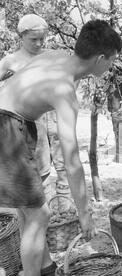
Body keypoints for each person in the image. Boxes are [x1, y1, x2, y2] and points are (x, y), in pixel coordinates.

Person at [0, 19, 122, 276]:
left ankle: (45, 272)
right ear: (100, 58)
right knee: (39, 214)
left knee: (30, 210)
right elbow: (72, 159)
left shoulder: (57, 56)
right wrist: (84, 212)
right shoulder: (64, 91)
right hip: (7, 127)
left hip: (14, 121)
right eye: (111, 60)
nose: (110, 67)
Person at [0, 14, 71, 200]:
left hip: (53, 117)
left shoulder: (50, 57)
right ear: (21, 37)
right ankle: (40, 209)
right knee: (38, 167)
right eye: (34, 39)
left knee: (63, 161)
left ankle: (64, 205)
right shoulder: (11, 61)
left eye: (42, 39)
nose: (39, 43)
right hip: (29, 122)